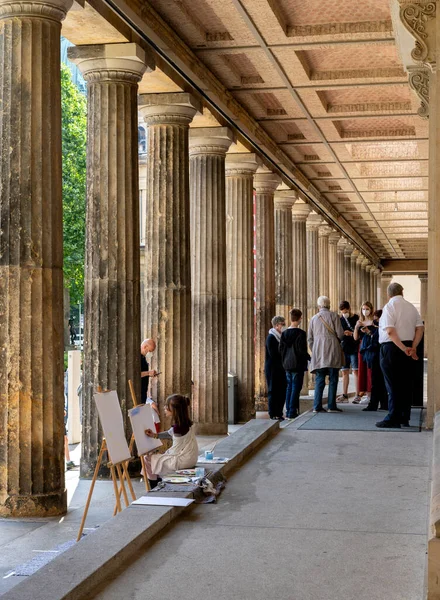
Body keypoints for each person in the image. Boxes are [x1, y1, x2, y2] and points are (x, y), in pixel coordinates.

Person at [376, 282, 424, 429]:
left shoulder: (389, 307)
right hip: (408, 347)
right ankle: (404, 417)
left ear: (389, 294)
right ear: (402, 292)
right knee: (405, 384)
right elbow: (420, 329)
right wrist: (412, 348)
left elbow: (390, 331)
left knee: (392, 385)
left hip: (391, 348)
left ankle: (393, 418)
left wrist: (403, 348)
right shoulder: (411, 307)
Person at [144, 394, 199, 489]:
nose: (164, 408)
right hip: (191, 458)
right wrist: (154, 435)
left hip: (183, 461)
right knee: (156, 458)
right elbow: (170, 433)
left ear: (174, 410)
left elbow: (175, 452)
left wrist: (162, 454)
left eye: (167, 406)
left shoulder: (178, 427)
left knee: (147, 459)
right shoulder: (184, 422)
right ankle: (158, 482)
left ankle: (155, 487)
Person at [308, 296, 345, 413]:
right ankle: (331, 406)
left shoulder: (313, 318)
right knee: (333, 378)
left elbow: (309, 338)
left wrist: (315, 349)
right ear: (329, 305)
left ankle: (317, 406)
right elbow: (340, 334)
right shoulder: (334, 316)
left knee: (319, 379)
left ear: (319, 306)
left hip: (319, 351)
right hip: (333, 349)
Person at [280, 308, 310, 420]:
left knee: (289, 388)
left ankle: (288, 411)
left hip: (287, 364)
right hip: (298, 364)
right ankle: (292, 411)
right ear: (300, 318)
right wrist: (309, 358)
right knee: (296, 388)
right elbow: (301, 350)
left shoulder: (284, 333)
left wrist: (284, 361)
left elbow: (281, 349)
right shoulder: (301, 333)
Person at [361, 310, 388, 412]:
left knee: (376, 381)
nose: (375, 321)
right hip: (380, 356)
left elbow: (377, 341)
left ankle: (374, 404)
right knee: (380, 381)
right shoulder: (379, 327)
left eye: (376, 319)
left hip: (377, 356)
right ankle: (384, 403)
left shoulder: (381, 327)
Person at [265, 316, 287, 421]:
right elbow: (273, 354)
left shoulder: (281, 337)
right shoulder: (271, 337)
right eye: (282, 324)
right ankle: (272, 413)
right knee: (273, 390)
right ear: (277, 325)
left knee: (282, 390)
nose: (284, 325)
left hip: (281, 367)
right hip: (272, 368)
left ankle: (279, 412)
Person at [337, 301, 359, 403]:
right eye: (342, 312)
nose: (344, 313)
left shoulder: (356, 318)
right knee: (344, 371)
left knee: (355, 371)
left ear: (349, 309)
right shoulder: (340, 319)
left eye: (345, 311)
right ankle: (344, 394)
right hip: (344, 347)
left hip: (354, 347)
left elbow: (359, 332)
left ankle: (357, 394)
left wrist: (351, 333)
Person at [353, 301, 374, 405]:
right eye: (363, 309)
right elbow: (355, 337)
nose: (365, 311)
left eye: (367, 309)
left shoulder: (373, 321)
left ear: (371, 310)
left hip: (370, 347)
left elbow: (376, 334)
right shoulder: (360, 321)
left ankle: (371, 395)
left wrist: (368, 331)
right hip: (362, 347)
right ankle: (366, 394)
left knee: (370, 371)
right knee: (362, 371)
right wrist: (357, 327)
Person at [140, 339, 158, 404]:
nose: (150, 353)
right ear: (145, 347)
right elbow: (134, 374)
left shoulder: (143, 357)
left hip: (143, 392)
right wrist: (148, 373)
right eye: (150, 351)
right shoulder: (136, 357)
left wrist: (148, 374)